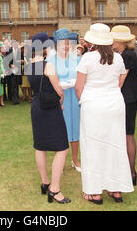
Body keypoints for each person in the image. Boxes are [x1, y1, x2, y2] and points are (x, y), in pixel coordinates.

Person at [75, 24, 134, 205]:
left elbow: (79, 86)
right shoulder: (118, 58)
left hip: (94, 104)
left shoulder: (88, 57)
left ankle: (94, 192)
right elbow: (119, 82)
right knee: (114, 145)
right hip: (114, 103)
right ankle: (115, 189)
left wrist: (84, 101)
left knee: (92, 146)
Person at [27, 32, 71, 205]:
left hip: (37, 105)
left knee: (40, 146)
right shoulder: (48, 65)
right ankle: (55, 189)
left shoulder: (30, 65)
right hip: (49, 107)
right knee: (62, 147)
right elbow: (59, 89)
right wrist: (61, 101)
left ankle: (45, 182)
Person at [47, 29, 82, 173]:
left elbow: (82, 77)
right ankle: (59, 162)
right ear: (57, 45)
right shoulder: (50, 60)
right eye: (62, 44)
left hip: (75, 97)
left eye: (68, 44)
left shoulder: (77, 59)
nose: (65, 47)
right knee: (61, 131)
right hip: (59, 99)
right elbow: (50, 81)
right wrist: (60, 85)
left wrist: (76, 83)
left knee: (75, 130)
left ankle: (75, 160)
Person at [111, 25, 137, 187]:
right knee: (123, 134)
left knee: (128, 134)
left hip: (126, 99)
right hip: (124, 98)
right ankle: (127, 171)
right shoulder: (123, 54)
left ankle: (131, 172)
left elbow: (120, 81)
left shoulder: (128, 55)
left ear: (120, 41)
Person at [5, 41, 22, 105]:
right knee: (12, 85)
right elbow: (6, 60)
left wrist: (21, 61)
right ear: (12, 44)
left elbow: (21, 58)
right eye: (15, 44)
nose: (16, 45)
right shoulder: (8, 51)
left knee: (16, 85)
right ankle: (13, 99)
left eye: (17, 44)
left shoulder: (19, 51)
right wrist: (10, 65)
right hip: (11, 70)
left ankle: (16, 98)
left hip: (17, 70)